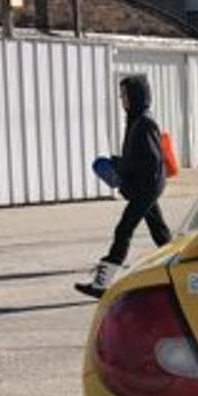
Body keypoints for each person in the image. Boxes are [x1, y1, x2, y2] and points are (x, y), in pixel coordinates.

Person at [76, 74, 172, 298]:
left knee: (124, 229)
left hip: (146, 187)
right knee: (160, 233)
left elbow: (150, 162)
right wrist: (120, 165)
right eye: (121, 96)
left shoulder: (145, 123)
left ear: (137, 96)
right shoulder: (135, 120)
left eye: (125, 95)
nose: (122, 100)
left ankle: (101, 285)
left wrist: (122, 168)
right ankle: (178, 269)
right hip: (146, 186)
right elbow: (137, 159)